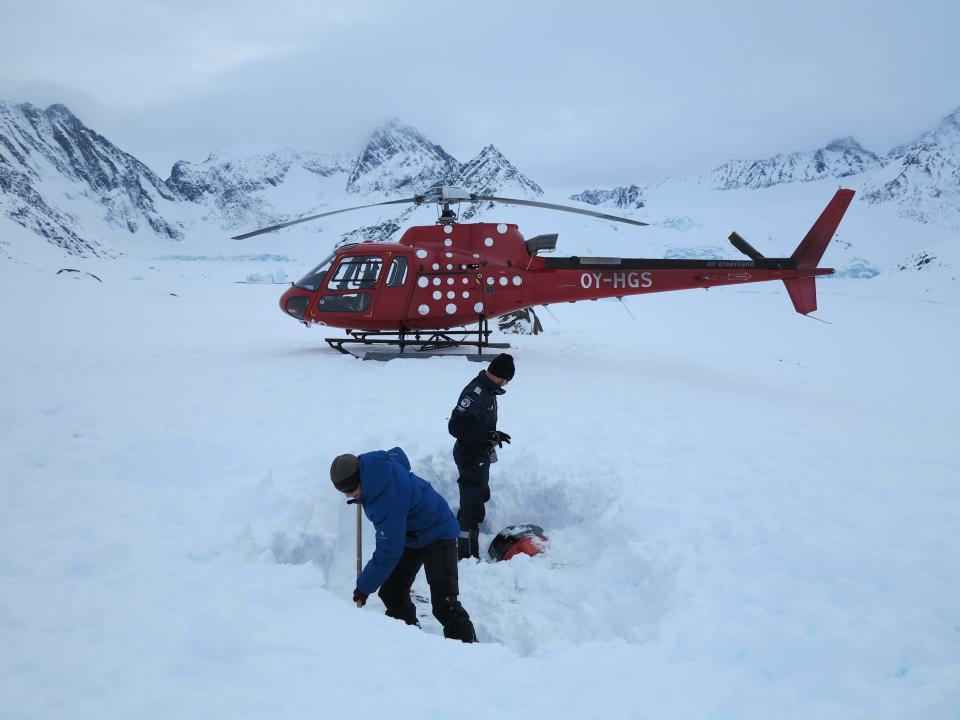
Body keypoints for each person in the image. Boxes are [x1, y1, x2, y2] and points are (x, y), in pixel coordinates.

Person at [330, 448, 477, 643]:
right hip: (411, 534)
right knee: (392, 593)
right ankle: (408, 641)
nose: (349, 496)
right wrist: (360, 494)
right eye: (343, 492)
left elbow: (389, 550)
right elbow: (397, 456)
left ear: (359, 479)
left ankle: (470, 653)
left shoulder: (386, 500)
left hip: (437, 531)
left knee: (444, 605)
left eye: (350, 491)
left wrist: (364, 587)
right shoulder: (373, 472)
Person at [447, 353, 514, 560]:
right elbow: (455, 426)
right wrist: (486, 435)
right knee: (470, 502)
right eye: (506, 379)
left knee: (480, 495)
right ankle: (464, 552)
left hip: (481, 454)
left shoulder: (489, 390)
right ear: (500, 375)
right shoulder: (475, 393)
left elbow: (479, 423)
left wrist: (493, 435)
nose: (506, 384)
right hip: (470, 456)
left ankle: (473, 532)